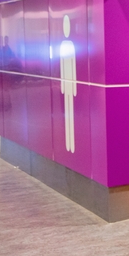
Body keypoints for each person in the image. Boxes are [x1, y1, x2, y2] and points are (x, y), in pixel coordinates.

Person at [59, 16, 77, 153]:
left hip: (70, 82)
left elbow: (73, 65)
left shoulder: (70, 45)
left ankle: (71, 143)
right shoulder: (65, 45)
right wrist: (63, 86)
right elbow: (61, 65)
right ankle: (68, 144)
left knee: (70, 112)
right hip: (66, 82)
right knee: (67, 112)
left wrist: (74, 86)